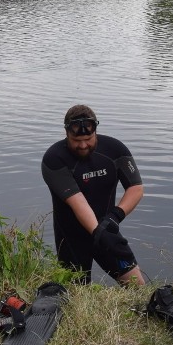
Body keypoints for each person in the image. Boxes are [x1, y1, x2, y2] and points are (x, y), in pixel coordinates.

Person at [42, 105, 146, 286]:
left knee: (138, 287)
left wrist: (115, 216)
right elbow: (78, 202)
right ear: (66, 132)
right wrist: (99, 232)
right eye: (76, 140)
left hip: (107, 230)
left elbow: (136, 187)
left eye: (88, 139)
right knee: (75, 298)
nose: (83, 145)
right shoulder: (54, 158)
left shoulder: (115, 150)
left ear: (95, 131)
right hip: (72, 239)